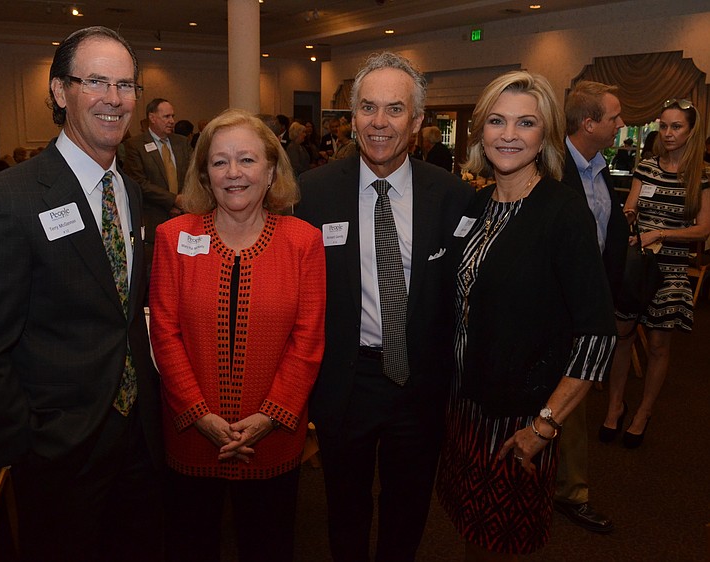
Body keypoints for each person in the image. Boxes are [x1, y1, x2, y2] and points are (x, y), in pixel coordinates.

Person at [0, 26, 164, 562]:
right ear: (58, 91)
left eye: (126, 84)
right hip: (58, 449)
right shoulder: (5, 200)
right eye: (95, 81)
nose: (114, 98)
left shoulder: (132, 192)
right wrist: (23, 449)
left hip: (139, 435)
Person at [296, 52, 472, 562]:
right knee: (344, 508)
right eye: (368, 109)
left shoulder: (452, 196)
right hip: (344, 383)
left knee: (407, 508)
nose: (379, 123)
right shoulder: (311, 193)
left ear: (417, 121)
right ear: (352, 118)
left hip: (419, 384)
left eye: (394, 110)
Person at [435, 70, 617, 559]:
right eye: (497, 121)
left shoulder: (562, 210)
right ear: (481, 131)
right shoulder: (478, 203)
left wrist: (545, 425)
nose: (509, 135)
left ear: (545, 136)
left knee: (503, 540)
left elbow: (596, 334)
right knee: (471, 530)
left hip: (519, 416)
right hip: (466, 403)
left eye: (525, 123)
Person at [149, 108, 325, 562]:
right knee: (190, 545)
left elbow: (307, 341)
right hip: (191, 434)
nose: (233, 173)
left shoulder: (303, 241)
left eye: (246, 160)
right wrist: (199, 414)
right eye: (220, 161)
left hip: (271, 437)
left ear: (270, 170)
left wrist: (269, 416)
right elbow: (164, 333)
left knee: (269, 546)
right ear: (205, 174)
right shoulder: (173, 237)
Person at [601, 98, 710, 449]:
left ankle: (643, 411)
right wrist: (630, 217)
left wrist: (662, 233)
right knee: (622, 336)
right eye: (663, 126)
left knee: (660, 345)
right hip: (639, 266)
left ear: (691, 131)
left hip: (673, 270)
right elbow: (632, 206)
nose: (668, 133)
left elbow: (703, 230)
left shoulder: (702, 176)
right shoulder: (646, 167)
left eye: (676, 126)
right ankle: (615, 406)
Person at [556, 80, 630, 534]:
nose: (622, 124)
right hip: (554, 306)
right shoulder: (550, 166)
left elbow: (604, 235)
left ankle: (570, 492)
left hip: (589, 300)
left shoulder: (599, 168)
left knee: (574, 399)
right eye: (615, 117)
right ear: (589, 123)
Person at [122, 97, 192, 271]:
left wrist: (185, 201)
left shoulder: (181, 142)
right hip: (155, 220)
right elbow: (139, 182)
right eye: (166, 116)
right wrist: (173, 200)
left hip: (184, 218)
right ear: (152, 118)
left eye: (173, 116)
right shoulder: (135, 145)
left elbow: (194, 173)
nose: (172, 121)